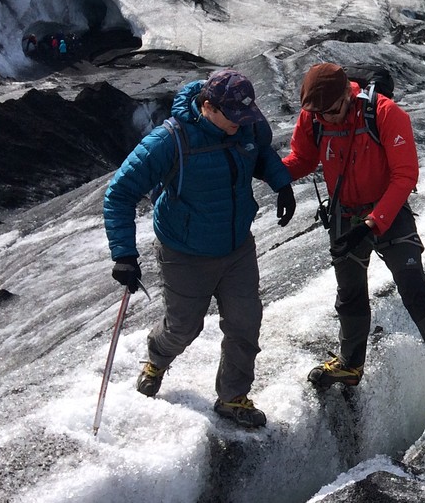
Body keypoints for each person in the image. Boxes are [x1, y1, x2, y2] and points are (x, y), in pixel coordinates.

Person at [282, 63, 425, 415]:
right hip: (345, 215)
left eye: (330, 111)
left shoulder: (386, 114)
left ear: (348, 94)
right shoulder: (314, 118)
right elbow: (302, 158)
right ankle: (350, 364)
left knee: (415, 290)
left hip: (389, 214)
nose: (324, 119)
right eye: (317, 113)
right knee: (350, 293)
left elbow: (405, 175)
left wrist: (374, 222)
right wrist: (264, 171)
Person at [103, 69, 296, 429]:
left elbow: (261, 152)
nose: (241, 124)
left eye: (245, 117)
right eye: (233, 118)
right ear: (208, 106)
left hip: (236, 245)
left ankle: (232, 397)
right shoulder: (169, 141)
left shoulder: (245, 123)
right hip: (185, 251)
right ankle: (157, 359)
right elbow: (120, 193)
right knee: (183, 328)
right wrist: (124, 254)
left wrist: (280, 183)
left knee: (245, 322)